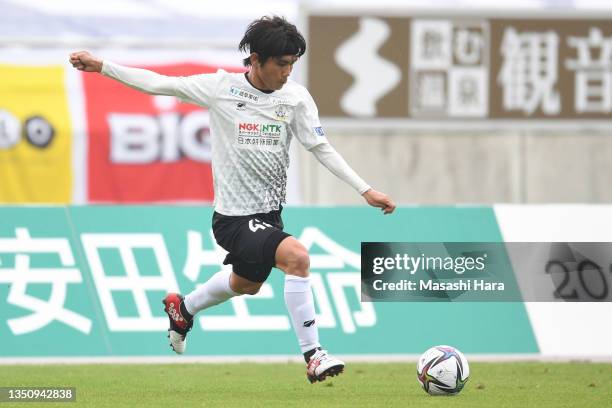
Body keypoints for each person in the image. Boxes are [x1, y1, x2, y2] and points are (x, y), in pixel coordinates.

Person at [70, 15, 395, 383]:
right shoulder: (220, 88)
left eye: (293, 64)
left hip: (268, 216)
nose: (288, 72)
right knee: (297, 258)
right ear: (255, 60)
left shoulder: (295, 98)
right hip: (233, 219)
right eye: (281, 64)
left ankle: (184, 308)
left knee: (246, 284)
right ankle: (314, 354)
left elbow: (320, 147)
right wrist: (103, 66)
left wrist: (365, 189)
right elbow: (161, 84)